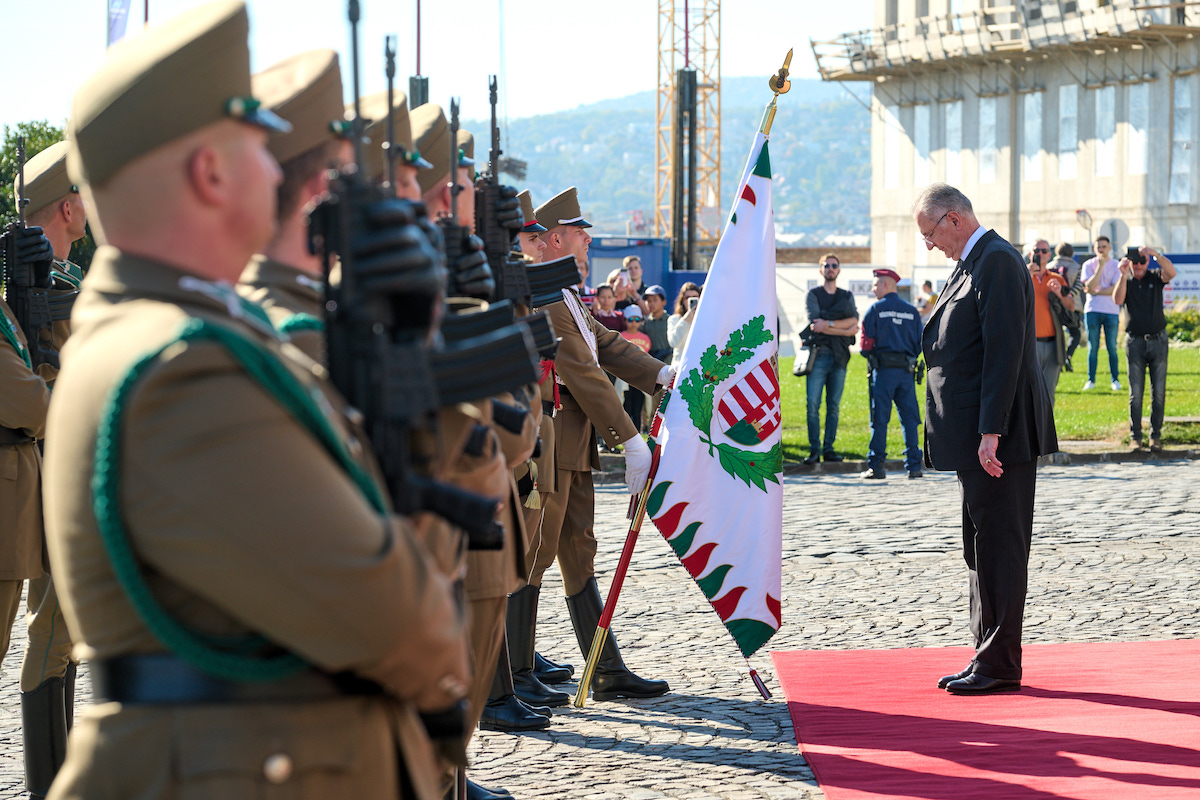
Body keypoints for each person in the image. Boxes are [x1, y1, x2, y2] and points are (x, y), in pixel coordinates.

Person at [45, 5, 471, 799]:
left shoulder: (199, 338)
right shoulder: (180, 372)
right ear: (209, 172)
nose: (281, 172)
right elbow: (398, 618)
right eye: (257, 144)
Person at [529, 186, 674, 700]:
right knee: (536, 549)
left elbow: (606, 346)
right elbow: (585, 374)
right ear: (552, 240)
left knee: (577, 549)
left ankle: (604, 665)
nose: (588, 245)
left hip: (574, 444)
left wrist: (659, 374)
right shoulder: (546, 295)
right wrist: (631, 439)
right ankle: (514, 668)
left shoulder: (566, 293)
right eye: (580, 238)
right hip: (550, 442)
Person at [913, 183, 1056, 696]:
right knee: (979, 547)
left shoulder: (995, 260)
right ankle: (985, 655)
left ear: (953, 219)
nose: (930, 244)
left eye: (930, 233)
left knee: (998, 546)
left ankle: (1000, 663)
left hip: (999, 435)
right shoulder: (972, 261)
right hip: (976, 437)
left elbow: (1003, 353)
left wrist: (990, 431)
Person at [10, 141, 86, 800]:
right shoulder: (28, 289)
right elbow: (44, 393)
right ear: (67, 206)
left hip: (56, 474)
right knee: (53, 635)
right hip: (53, 480)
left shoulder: (60, 284)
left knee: (62, 636)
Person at [858, 268, 923, 480]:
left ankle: (876, 466)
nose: (873, 288)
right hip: (906, 372)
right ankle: (914, 467)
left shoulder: (875, 310)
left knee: (879, 419)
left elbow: (865, 345)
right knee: (910, 419)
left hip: (883, 372)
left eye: (875, 284)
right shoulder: (911, 311)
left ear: (886, 285)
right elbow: (919, 343)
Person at [1113, 247, 1177, 453]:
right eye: (1135, 262)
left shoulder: (1156, 277)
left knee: (1158, 392)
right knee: (1136, 393)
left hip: (1158, 340)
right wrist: (1123, 275)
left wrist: (1156, 253)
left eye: (1142, 262)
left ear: (1147, 262)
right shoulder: (1127, 280)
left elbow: (1172, 273)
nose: (1138, 266)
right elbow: (1117, 300)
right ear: (1129, 263)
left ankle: (1155, 436)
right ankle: (1136, 438)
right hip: (1135, 342)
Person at [804, 253, 859, 464]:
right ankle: (814, 450)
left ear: (839, 269)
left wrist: (829, 324)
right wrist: (843, 327)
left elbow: (854, 322)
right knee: (812, 405)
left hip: (840, 357)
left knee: (833, 406)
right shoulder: (813, 294)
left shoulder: (846, 296)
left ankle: (829, 449)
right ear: (821, 270)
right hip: (818, 355)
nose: (830, 268)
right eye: (826, 265)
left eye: (834, 265)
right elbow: (815, 323)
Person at [1027, 238, 1074, 407]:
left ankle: (1046, 433)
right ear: (1030, 254)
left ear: (1050, 255)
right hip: (1029, 345)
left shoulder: (1057, 278)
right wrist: (1027, 275)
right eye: (1037, 251)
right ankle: (1029, 433)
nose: (1040, 254)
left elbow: (1071, 306)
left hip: (1053, 344)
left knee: (1048, 393)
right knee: (1027, 393)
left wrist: (1059, 294)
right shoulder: (1020, 275)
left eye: (1044, 251)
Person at [1081, 236, 1122, 391]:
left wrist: (1096, 292)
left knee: (1112, 346)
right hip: (1092, 310)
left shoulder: (1117, 265)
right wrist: (1100, 267)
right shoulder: (1088, 265)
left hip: (1111, 311)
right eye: (1098, 247)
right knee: (1093, 347)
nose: (1101, 249)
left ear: (1109, 248)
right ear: (1094, 248)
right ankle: (1091, 380)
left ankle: (1115, 379)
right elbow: (1089, 286)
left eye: (1104, 246)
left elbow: (1115, 289)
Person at [1048, 242, 1084, 371]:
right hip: (1072, 305)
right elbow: (1079, 286)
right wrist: (1067, 295)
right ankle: (1068, 356)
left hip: (1052, 305)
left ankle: (1057, 358)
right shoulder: (1076, 267)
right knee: (1075, 333)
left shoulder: (1049, 266)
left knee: (1056, 333)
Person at [619, 305, 652, 432]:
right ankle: (627, 436)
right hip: (625, 378)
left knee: (637, 409)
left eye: (637, 320)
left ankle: (637, 434)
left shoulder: (645, 338)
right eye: (630, 319)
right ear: (625, 320)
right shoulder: (620, 336)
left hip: (640, 378)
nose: (633, 323)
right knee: (627, 407)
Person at [667, 281, 702, 366]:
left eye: (694, 297)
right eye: (687, 298)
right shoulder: (674, 319)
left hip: (700, 364)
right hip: (680, 366)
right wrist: (686, 320)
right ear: (682, 300)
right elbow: (673, 342)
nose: (691, 300)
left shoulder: (704, 319)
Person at [642, 284, 672, 362]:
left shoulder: (671, 321)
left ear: (664, 302)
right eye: (648, 301)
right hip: (651, 363)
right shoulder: (644, 323)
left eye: (655, 300)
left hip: (668, 363)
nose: (651, 303)